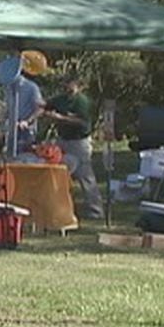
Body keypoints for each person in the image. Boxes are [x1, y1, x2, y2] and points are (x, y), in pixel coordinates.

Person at [45, 75, 104, 219]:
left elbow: (82, 122)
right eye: (65, 84)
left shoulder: (82, 101)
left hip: (79, 142)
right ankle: (59, 206)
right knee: (58, 173)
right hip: (62, 139)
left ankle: (96, 210)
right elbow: (45, 105)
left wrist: (61, 118)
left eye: (70, 84)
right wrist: (44, 111)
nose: (67, 87)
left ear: (77, 85)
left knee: (85, 175)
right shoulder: (60, 99)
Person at [5, 69, 45, 155]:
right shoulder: (8, 88)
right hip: (12, 131)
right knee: (10, 158)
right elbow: (9, 109)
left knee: (25, 157)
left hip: (26, 131)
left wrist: (27, 121)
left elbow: (40, 109)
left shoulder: (32, 87)